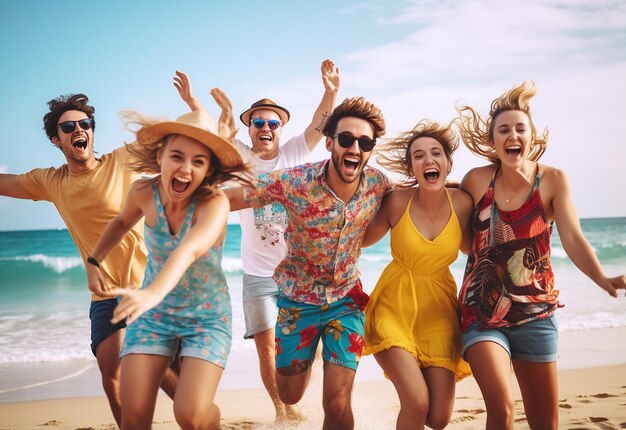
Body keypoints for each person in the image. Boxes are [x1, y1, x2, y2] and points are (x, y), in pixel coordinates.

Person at [0, 91, 187, 425]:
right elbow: (6, 183)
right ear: (56, 140)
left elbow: (173, 144)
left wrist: (193, 110)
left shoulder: (122, 160)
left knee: (172, 377)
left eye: (84, 124)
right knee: (112, 374)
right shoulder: (51, 181)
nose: (77, 130)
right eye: (68, 127)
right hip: (105, 295)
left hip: (151, 284)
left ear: (92, 131)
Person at [175, 59, 340, 423]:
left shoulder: (295, 153)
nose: (265, 127)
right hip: (258, 275)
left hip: (301, 273)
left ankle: (295, 395)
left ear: (281, 129)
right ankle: (283, 412)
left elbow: (320, 123)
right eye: (258, 122)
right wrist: (193, 103)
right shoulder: (238, 158)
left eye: (272, 123)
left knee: (301, 347)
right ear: (249, 129)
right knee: (267, 348)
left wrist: (330, 91)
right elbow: (211, 133)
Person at [455, 80, 626, 430]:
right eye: (503, 130)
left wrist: (602, 278)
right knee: (502, 410)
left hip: (536, 313)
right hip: (482, 313)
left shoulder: (552, 181)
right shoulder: (475, 181)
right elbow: (459, 240)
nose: (512, 135)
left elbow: (574, 239)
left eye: (520, 128)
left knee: (544, 424)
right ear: (493, 141)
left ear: (531, 137)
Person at [226, 96, 391, 430]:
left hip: (347, 301)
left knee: (337, 400)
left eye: (365, 142)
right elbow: (227, 198)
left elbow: (413, 200)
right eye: (346, 139)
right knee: (289, 393)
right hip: (297, 301)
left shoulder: (378, 184)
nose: (355, 148)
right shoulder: (294, 181)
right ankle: (304, 360)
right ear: (330, 142)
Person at [86, 104, 254, 430]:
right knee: (133, 419)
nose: (186, 169)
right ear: (160, 155)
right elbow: (120, 223)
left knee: (190, 414)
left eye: (199, 161)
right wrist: (95, 260)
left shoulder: (214, 203)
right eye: (177, 156)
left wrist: (151, 292)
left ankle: (212, 420)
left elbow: (189, 250)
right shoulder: (143, 192)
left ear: (208, 170)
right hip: (155, 317)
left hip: (206, 317)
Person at [361, 120, 473, 429]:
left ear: (448, 163)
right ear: (412, 167)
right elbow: (357, 240)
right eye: (419, 156)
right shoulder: (397, 202)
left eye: (436, 153)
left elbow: (476, 250)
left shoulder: (463, 204)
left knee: (437, 419)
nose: (428, 160)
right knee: (417, 401)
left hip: (439, 311)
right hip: (394, 304)